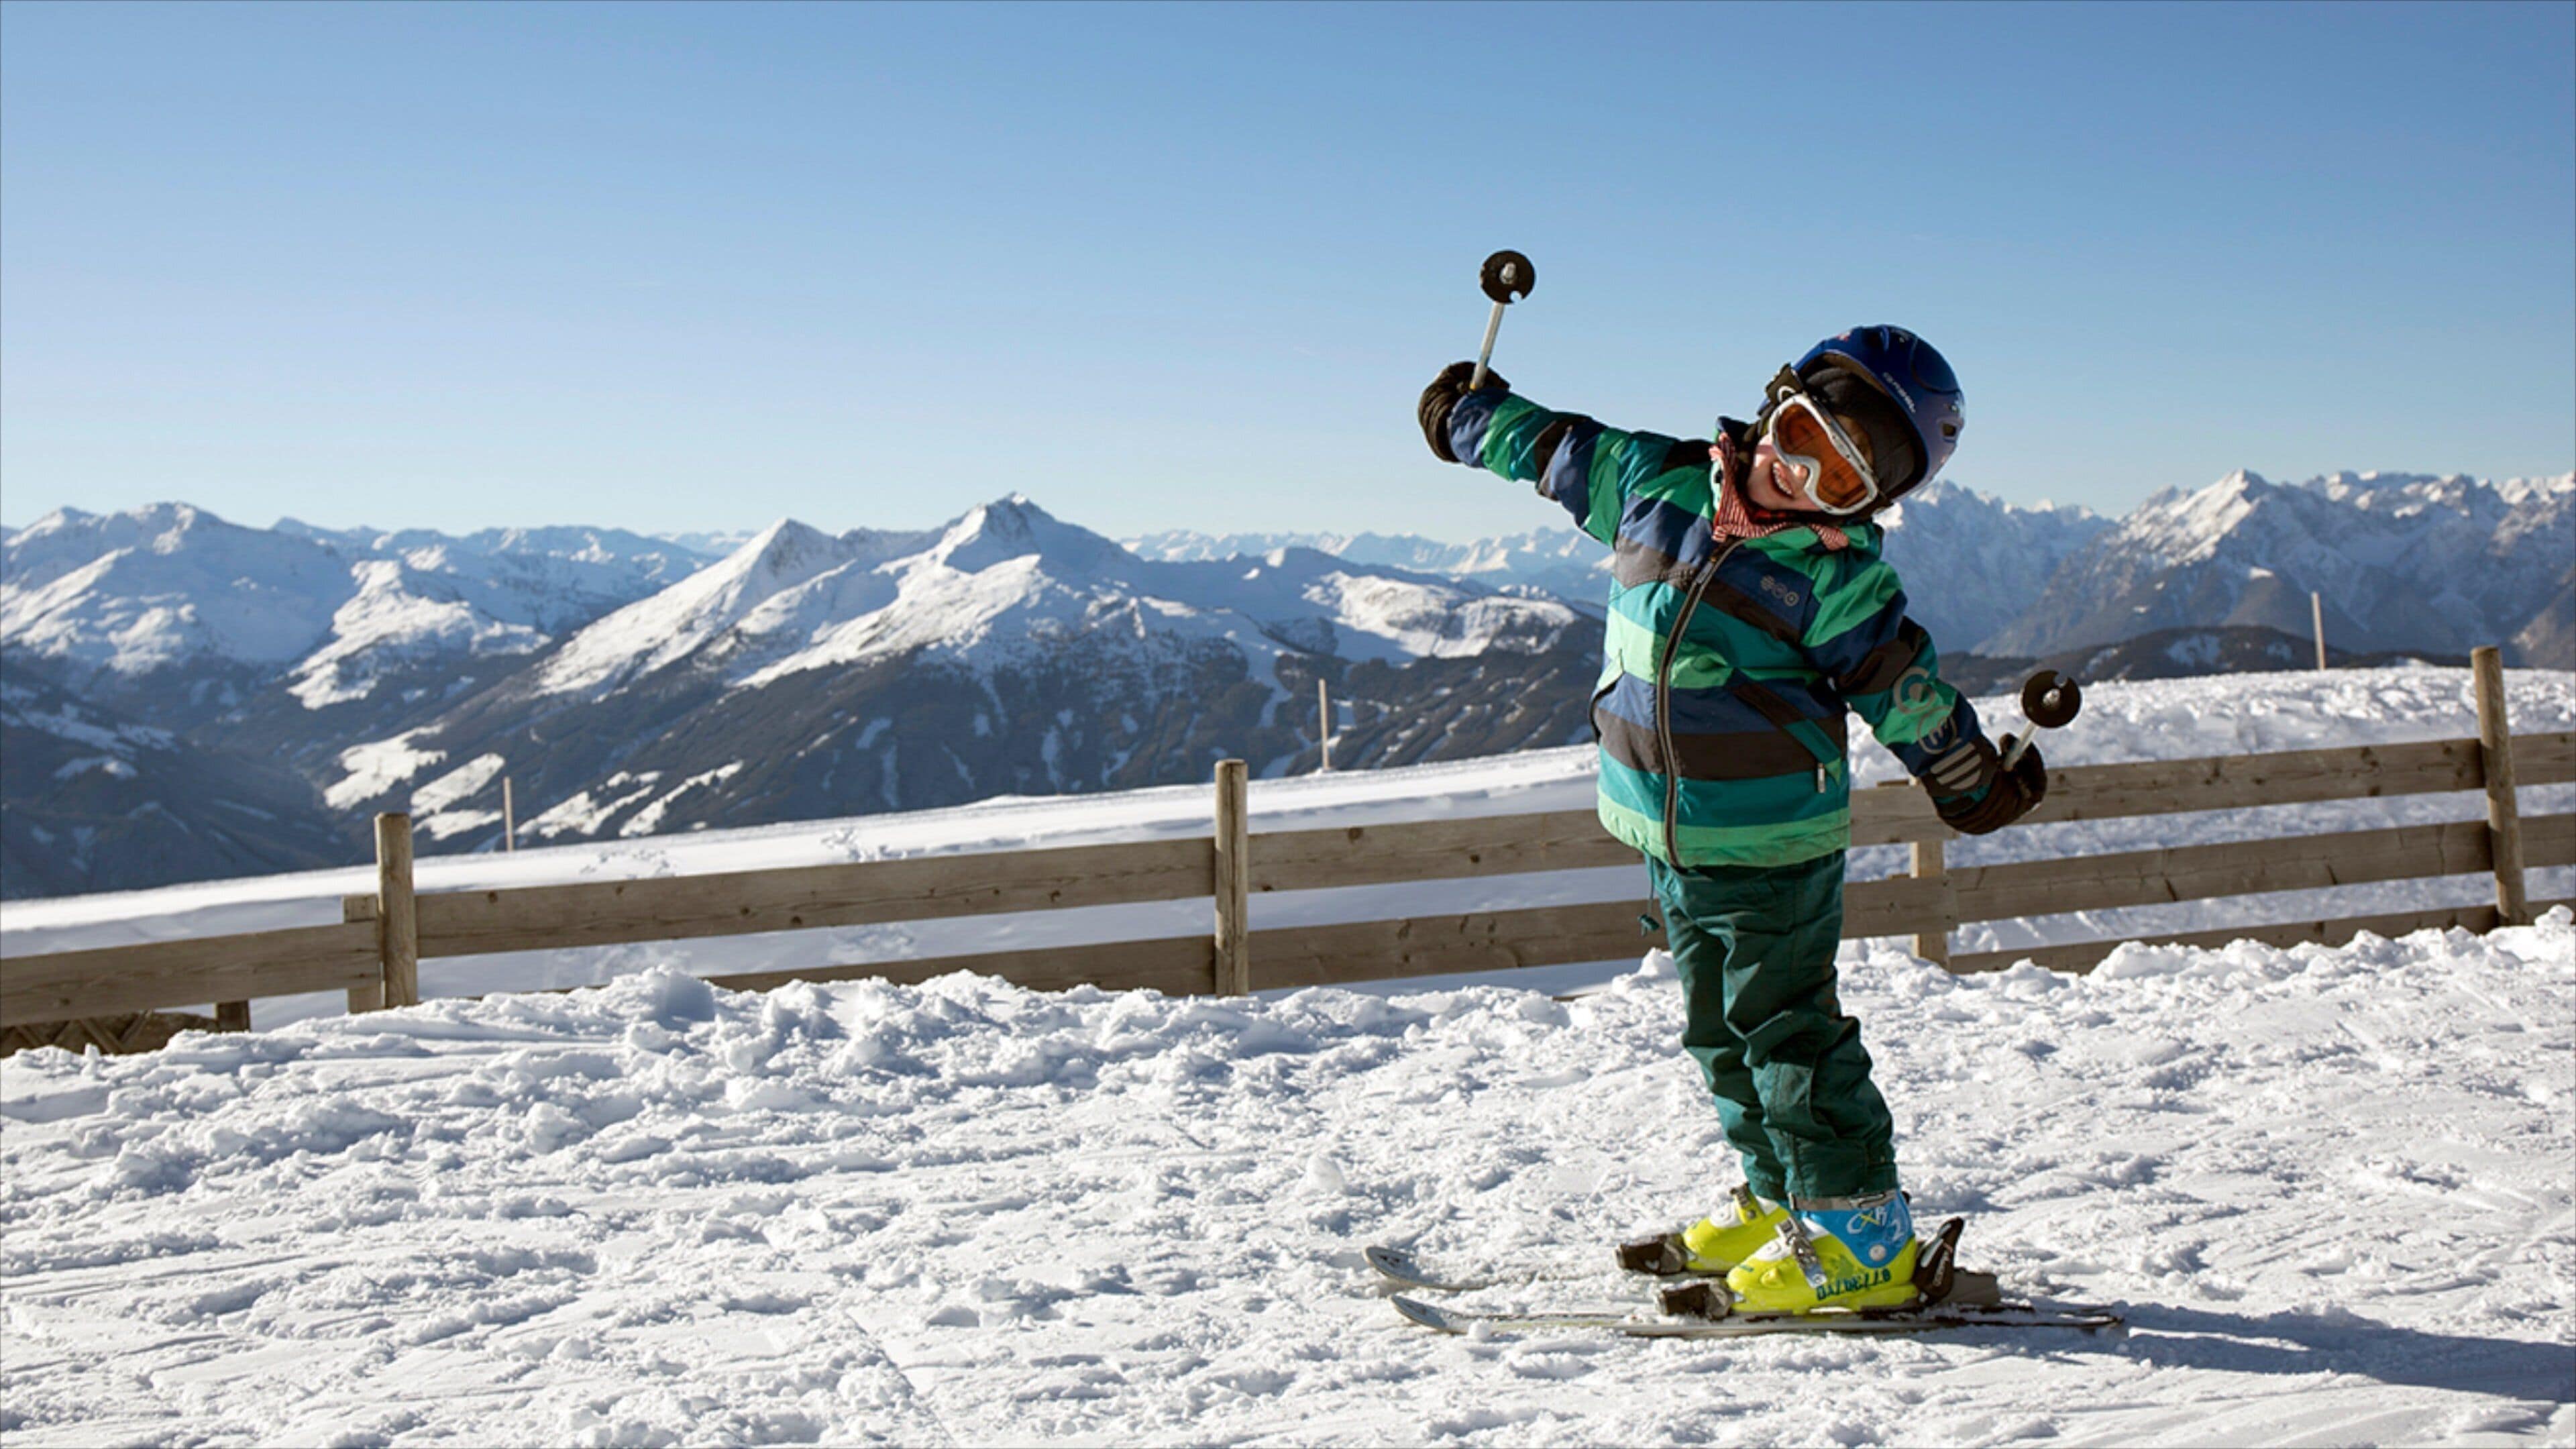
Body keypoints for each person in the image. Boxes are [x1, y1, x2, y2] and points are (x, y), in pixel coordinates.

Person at [1415, 327, 2047, 1314]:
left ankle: (1860, 1241)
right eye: (1802, 437)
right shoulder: (1651, 485)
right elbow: (1554, 448)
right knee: (1719, 1034)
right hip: (1668, 837)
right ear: (1774, 403)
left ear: (1866, 508)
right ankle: (1778, 1199)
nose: (1800, 478)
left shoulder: (1835, 580)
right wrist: (1467, 417)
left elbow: (1904, 690)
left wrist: (1972, 780)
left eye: (1839, 482)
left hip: (1772, 847)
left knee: (1788, 1036)